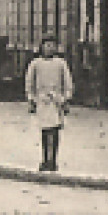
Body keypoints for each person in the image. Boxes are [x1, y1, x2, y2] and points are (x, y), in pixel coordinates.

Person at [25, 37, 75, 172]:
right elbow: (30, 83)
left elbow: (68, 82)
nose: (49, 48)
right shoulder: (35, 64)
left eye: (52, 45)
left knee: (55, 130)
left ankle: (53, 160)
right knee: (45, 130)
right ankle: (45, 159)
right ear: (42, 47)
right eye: (47, 45)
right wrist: (31, 100)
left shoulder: (61, 64)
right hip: (42, 101)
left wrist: (66, 99)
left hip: (56, 101)